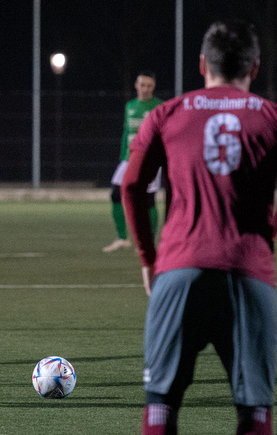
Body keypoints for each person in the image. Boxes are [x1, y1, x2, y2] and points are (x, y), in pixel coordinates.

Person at [122, 20, 276, 435]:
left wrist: (148, 259)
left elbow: (133, 185)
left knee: (161, 407)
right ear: (254, 68)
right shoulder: (270, 117)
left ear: (202, 64)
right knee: (255, 411)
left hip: (179, 269)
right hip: (249, 273)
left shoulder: (167, 113)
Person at [103, 71, 163, 252]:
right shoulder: (130, 106)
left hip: (149, 159)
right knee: (115, 192)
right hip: (129, 158)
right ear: (136, 85)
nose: (145, 89)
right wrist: (122, 156)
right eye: (142, 85)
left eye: (149, 86)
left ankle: (149, 242)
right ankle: (122, 238)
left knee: (148, 200)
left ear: (153, 87)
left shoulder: (159, 107)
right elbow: (126, 133)